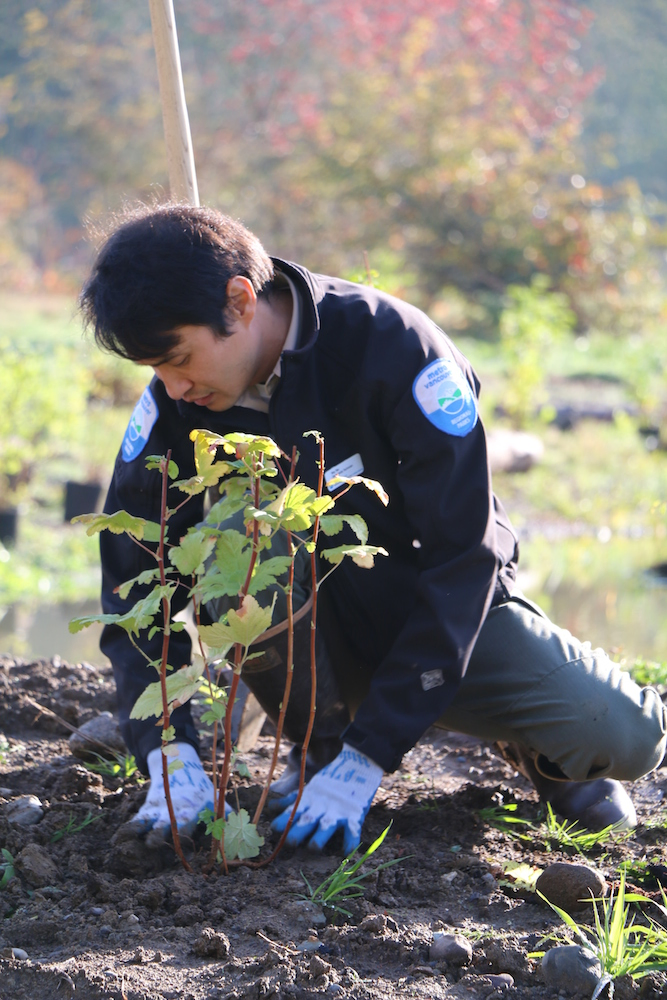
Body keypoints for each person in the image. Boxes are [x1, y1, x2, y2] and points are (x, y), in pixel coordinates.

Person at [79, 203, 666, 853]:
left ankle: (533, 754)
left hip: (436, 619)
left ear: (241, 301)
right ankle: (314, 753)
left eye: (179, 358)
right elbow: (135, 578)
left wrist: (370, 762)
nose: (172, 386)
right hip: (307, 646)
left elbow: (463, 559)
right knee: (238, 540)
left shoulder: (392, 348)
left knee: (625, 737)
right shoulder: (178, 396)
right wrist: (169, 754)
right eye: (155, 370)